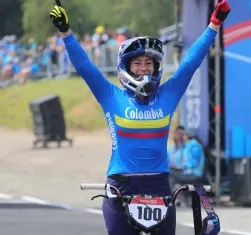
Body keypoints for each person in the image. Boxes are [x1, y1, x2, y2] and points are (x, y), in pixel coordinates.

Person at [49, 1, 231, 234]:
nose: (144, 68)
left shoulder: (168, 94)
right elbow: (85, 67)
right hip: (121, 186)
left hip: (159, 185)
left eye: (149, 63)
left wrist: (214, 25)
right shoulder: (110, 95)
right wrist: (65, 32)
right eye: (137, 63)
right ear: (126, 67)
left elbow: (190, 64)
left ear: (156, 68)